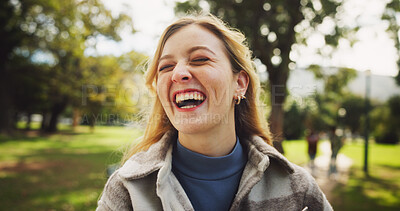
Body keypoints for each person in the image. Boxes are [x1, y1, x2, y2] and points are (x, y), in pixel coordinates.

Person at [96, 13, 332, 211]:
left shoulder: (298, 189)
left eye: (199, 59)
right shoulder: (126, 189)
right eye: (166, 66)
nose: (178, 73)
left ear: (239, 84)